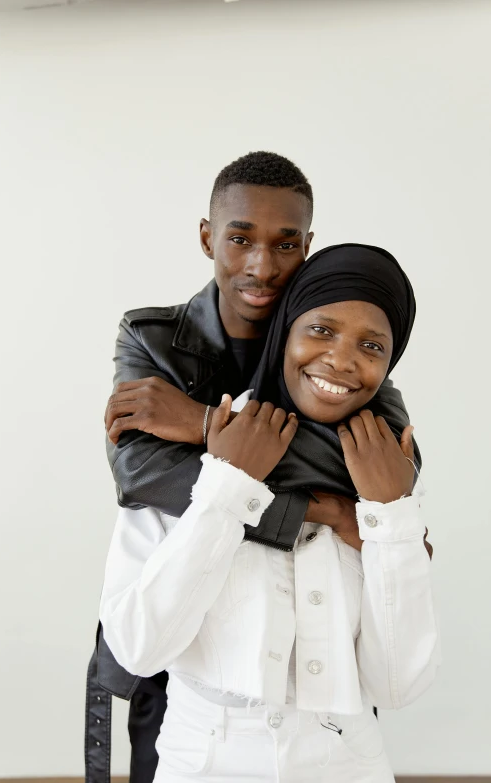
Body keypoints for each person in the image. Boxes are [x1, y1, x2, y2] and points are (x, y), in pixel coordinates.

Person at [85, 154, 415, 783]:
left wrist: (203, 427)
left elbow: (388, 471)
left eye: (285, 244)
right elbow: (144, 475)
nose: (262, 265)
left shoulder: (332, 338)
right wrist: (322, 511)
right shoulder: (151, 338)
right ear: (208, 236)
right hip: (185, 613)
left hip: (310, 654)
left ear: (307, 246)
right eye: (240, 239)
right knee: (162, 739)